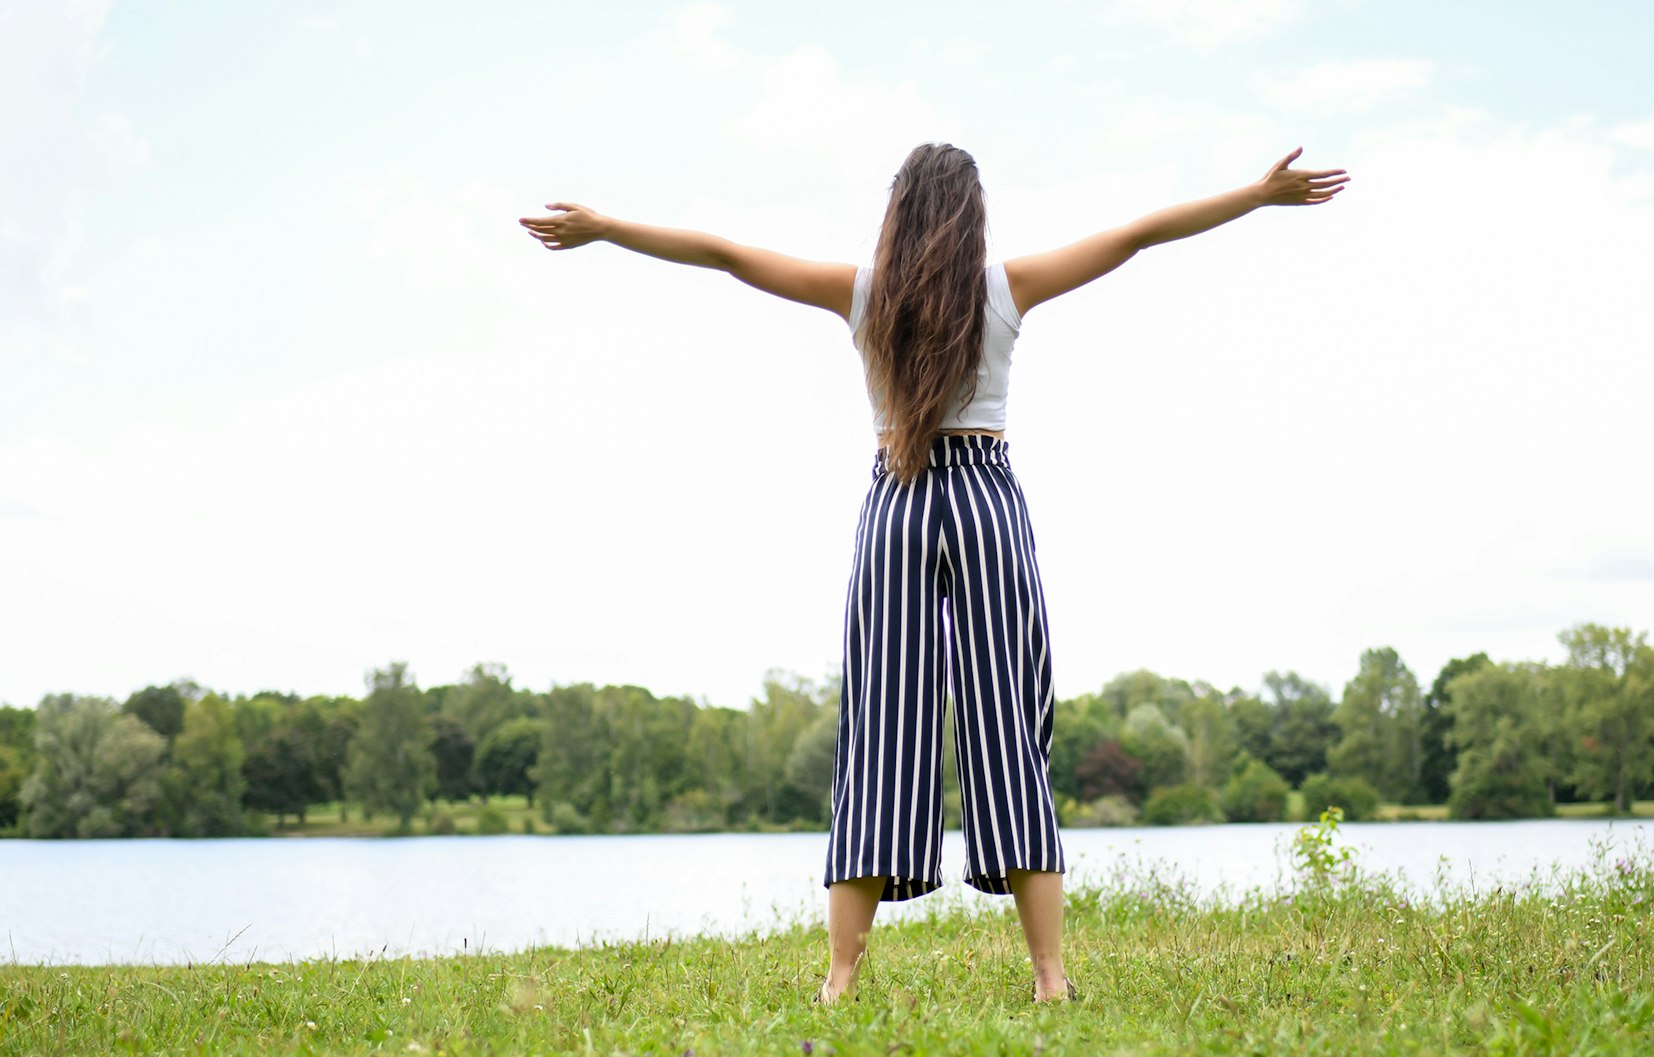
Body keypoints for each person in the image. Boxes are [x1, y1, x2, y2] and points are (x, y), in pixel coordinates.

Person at [518, 143, 1348, 1006]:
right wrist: (1256, 195)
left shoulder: (863, 293)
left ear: (899, 213)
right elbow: (1138, 234)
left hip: (899, 503)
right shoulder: (1005, 287)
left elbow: (727, 256)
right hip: (987, 500)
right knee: (1010, 735)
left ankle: (841, 979)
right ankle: (1049, 978)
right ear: (972, 214)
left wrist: (608, 227)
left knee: (881, 733)